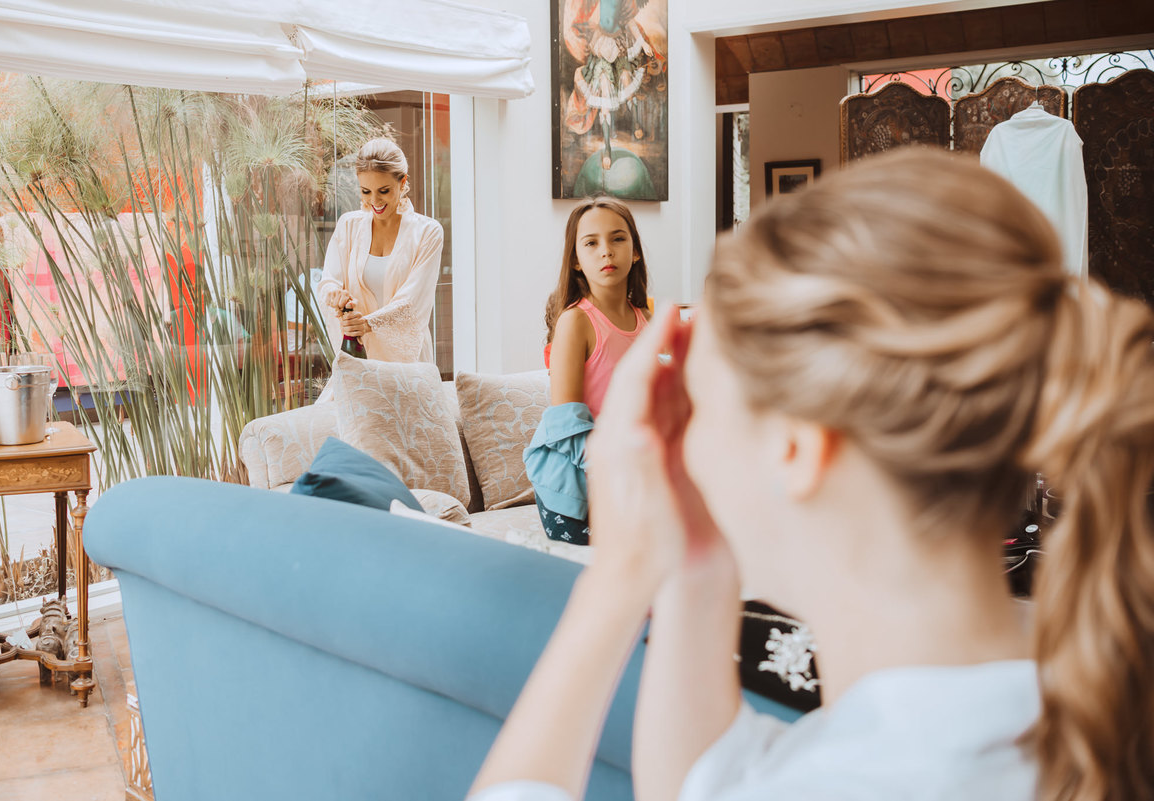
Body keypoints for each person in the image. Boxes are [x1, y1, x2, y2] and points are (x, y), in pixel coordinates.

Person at [471, 149, 1154, 801]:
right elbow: (703, 780)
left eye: (706, 405)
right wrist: (696, 567)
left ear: (797, 447)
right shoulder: (1080, 724)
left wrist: (616, 576)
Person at [525, 197, 651, 545]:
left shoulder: (647, 321)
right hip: (574, 488)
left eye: (618, 239)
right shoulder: (575, 322)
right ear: (576, 260)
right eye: (591, 243)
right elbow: (566, 425)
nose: (606, 252)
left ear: (636, 251)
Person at [316, 137, 443, 363]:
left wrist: (367, 324)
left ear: (403, 182)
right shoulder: (348, 225)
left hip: (408, 362)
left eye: (384, 190)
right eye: (366, 191)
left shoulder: (428, 232)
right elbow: (328, 282)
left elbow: (412, 303)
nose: (374, 201)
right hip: (358, 358)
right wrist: (335, 295)